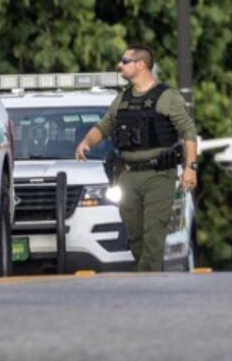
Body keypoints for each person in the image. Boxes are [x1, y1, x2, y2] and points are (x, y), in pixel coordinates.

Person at [74, 45, 197, 271]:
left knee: (153, 234)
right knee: (135, 236)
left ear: (140, 64)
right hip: (127, 175)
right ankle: (149, 279)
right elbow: (104, 126)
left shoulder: (167, 97)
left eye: (124, 60)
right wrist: (87, 142)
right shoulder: (122, 99)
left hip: (159, 175)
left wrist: (190, 168)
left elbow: (189, 132)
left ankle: (147, 282)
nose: (119, 65)